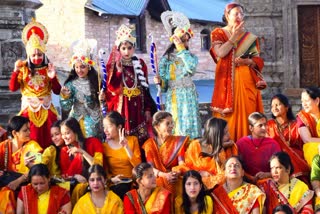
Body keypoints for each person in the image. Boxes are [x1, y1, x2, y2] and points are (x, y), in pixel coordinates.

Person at [210, 2, 265, 141]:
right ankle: (228, 148)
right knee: (229, 118)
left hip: (247, 82)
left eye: (241, 13)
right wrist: (234, 36)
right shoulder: (219, 33)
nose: (239, 16)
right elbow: (221, 53)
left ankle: (248, 145)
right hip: (227, 82)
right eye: (236, 14)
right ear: (227, 15)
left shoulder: (249, 37)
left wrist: (247, 62)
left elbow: (257, 60)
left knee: (248, 114)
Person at [9, 19, 61, 149]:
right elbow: (12, 88)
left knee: (51, 139)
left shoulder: (49, 68)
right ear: (29, 55)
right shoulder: (23, 68)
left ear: (43, 54)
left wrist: (53, 77)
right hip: (29, 110)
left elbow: (57, 91)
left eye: (39, 54)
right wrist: (15, 72)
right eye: (33, 55)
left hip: (47, 110)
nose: (36, 57)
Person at [101, 24, 155, 146]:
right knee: (122, 132)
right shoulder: (114, 66)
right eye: (123, 48)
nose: (126, 51)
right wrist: (119, 71)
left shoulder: (140, 64)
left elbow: (144, 89)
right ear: (118, 49)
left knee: (140, 137)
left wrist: (147, 109)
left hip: (138, 106)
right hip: (122, 106)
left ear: (134, 48)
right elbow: (112, 89)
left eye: (129, 48)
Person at [153, 10, 201, 139]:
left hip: (189, 96)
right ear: (173, 40)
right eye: (181, 40)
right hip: (174, 96)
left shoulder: (191, 57)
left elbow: (191, 68)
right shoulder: (165, 60)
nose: (184, 44)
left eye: (186, 41)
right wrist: (159, 82)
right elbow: (163, 87)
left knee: (190, 126)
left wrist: (181, 49)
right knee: (177, 125)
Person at [60, 39, 102, 140]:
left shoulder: (97, 82)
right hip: (76, 119)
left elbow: (103, 103)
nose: (79, 70)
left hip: (94, 120)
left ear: (89, 67)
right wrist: (65, 97)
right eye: (77, 67)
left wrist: (103, 99)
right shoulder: (71, 84)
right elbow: (66, 107)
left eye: (82, 67)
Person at [0, 116, 43, 213]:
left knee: (7, 194)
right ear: (15, 133)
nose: (29, 132)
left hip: (27, 184)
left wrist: (19, 181)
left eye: (29, 129)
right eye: (25, 130)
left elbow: (39, 169)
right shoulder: (3, 146)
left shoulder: (33, 146)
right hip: (6, 183)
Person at [142, 111, 189, 194]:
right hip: (157, 178)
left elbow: (182, 163)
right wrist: (165, 175)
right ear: (157, 127)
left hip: (175, 178)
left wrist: (176, 173)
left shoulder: (178, 142)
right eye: (167, 123)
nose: (171, 126)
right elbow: (150, 168)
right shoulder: (149, 144)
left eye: (172, 123)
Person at [267, 94, 310, 184]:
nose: (274, 108)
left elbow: (304, 145)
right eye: (272, 106)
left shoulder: (296, 125)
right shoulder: (269, 125)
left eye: (277, 105)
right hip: (275, 159)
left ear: (287, 107)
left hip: (298, 159)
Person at [185, 117, 237, 189]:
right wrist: (199, 173)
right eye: (225, 133)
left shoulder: (229, 148)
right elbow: (188, 166)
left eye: (228, 131)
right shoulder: (195, 145)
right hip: (196, 183)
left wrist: (220, 149)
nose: (229, 135)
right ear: (216, 135)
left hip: (219, 186)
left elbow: (225, 174)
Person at [102, 111, 141, 199]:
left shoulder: (132, 140)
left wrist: (126, 147)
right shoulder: (104, 146)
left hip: (132, 183)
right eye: (104, 127)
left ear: (119, 126)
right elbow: (104, 170)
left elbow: (138, 167)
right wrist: (111, 180)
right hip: (114, 184)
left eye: (109, 126)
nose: (105, 130)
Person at [236, 112, 281, 183]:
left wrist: (267, 174)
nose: (264, 128)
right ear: (251, 128)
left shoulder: (273, 144)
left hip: (268, 182)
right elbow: (236, 166)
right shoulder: (241, 143)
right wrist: (250, 177)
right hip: (245, 182)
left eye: (265, 125)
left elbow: (280, 167)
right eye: (260, 125)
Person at [297, 87, 320, 166]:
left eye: (306, 101)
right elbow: (307, 140)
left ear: (317, 101)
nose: (304, 104)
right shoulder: (302, 117)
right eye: (302, 101)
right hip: (312, 148)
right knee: (311, 147)